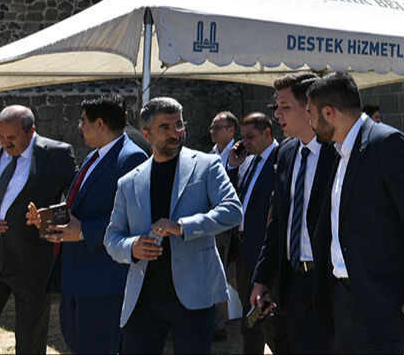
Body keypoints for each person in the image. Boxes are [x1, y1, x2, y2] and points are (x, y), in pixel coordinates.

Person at [308, 70, 404, 354]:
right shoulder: (338, 153)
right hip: (345, 300)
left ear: (328, 112)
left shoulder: (388, 144)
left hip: (384, 302)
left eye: (310, 113)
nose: (310, 122)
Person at [104, 96, 241, 354]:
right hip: (142, 300)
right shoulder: (128, 182)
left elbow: (233, 211)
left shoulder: (207, 165)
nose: (175, 133)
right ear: (146, 133)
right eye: (165, 127)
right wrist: (132, 247)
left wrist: (182, 226)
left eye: (179, 125)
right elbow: (112, 237)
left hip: (193, 296)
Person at [27, 94, 148, 354]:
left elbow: (134, 220)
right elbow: (81, 206)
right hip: (77, 277)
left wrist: (82, 232)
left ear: (100, 124)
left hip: (102, 281)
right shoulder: (96, 156)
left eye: (83, 121)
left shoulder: (130, 158)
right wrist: (50, 218)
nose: (80, 127)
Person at [0, 104, 77, 355]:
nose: (5, 143)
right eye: (0, 136)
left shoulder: (57, 154)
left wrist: (47, 217)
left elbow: (77, 202)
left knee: (30, 343)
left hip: (32, 265)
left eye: (11, 138)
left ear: (31, 130)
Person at [251, 71, 339, 355]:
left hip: (329, 281)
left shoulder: (338, 154)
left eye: (285, 107)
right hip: (293, 284)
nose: (277, 115)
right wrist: (262, 278)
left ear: (310, 107)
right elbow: (277, 223)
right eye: (276, 107)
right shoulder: (285, 154)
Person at [224, 112, 278, 355]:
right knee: (250, 321)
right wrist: (233, 167)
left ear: (267, 133)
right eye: (242, 137)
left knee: (270, 320)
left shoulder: (281, 159)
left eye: (250, 137)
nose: (245, 142)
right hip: (245, 252)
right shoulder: (249, 161)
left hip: (266, 253)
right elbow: (232, 199)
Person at [208, 108, 239, 340]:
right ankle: (218, 322)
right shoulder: (210, 156)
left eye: (217, 127)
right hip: (212, 224)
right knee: (215, 273)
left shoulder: (240, 154)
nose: (213, 132)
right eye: (212, 127)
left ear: (231, 130)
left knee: (230, 273)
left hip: (231, 227)